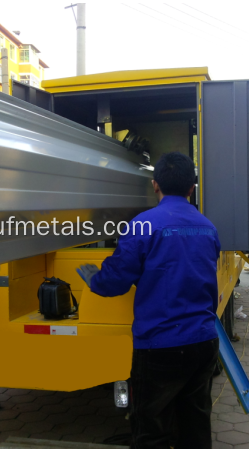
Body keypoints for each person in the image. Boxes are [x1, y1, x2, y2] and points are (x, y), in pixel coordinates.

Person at [77, 152, 221, 449]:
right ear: (192, 188)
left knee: (150, 431)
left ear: (155, 185)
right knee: (195, 427)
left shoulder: (142, 225)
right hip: (204, 342)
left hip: (160, 346)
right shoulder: (208, 227)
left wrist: (94, 279)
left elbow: (114, 282)